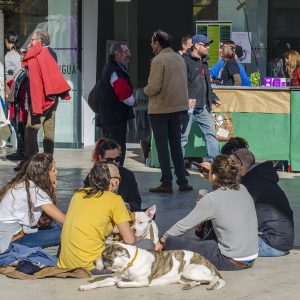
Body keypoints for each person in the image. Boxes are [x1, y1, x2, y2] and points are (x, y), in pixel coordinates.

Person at [155, 155, 258, 271]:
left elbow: (183, 225)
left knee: (171, 241)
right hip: (251, 258)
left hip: (229, 260)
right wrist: (212, 175)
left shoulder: (211, 199)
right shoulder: (243, 188)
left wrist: (162, 241)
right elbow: (224, 195)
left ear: (214, 175)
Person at [58, 162, 138, 272]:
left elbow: (96, 224)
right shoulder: (115, 200)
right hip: (93, 266)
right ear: (113, 182)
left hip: (66, 264)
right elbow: (130, 240)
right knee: (146, 245)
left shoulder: (78, 195)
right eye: (119, 178)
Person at [144, 30, 192, 193]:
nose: (151, 45)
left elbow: (153, 87)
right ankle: (182, 180)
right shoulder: (179, 58)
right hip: (178, 108)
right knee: (176, 145)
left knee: (162, 146)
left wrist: (144, 91)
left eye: (152, 42)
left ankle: (166, 182)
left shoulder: (158, 60)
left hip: (160, 109)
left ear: (157, 42)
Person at [18, 29, 71, 171]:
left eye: (33, 40)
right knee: (49, 130)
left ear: (40, 41)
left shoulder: (39, 52)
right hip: (52, 96)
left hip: (42, 97)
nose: (31, 42)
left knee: (31, 129)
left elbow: (36, 77)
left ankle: (31, 162)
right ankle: (48, 161)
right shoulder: (50, 52)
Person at [232, 149, 294, 257]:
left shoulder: (251, 184)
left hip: (270, 243)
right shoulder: (259, 178)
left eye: (230, 165)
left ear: (240, 166)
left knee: (220, 242)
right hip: (280, 241)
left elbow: (228, 210)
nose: (228, 169)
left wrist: (215, 180)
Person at [0, 153, 65, 254]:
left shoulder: (25, 183)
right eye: (53, 170)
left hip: (10, 234)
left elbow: (47, 219)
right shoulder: (36, 191)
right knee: (64, 232)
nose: (56, 173)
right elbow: (64, 220)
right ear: (44, 174)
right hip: (9, 241)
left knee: (55, 226)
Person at [180, 34, 221, 163]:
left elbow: (206, 83)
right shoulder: (184, 60)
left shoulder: (204, 61)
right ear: (196, 46)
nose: (208, 47)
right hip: (189, 108)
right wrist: (186, 98)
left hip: (204, 107)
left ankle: (213, 164)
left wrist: (213, 98)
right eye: (205, 45)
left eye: (208, 45)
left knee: (211, 135)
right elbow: (180, 82)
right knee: (183, 137)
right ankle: (179, 165)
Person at [96, 42, 136, 166]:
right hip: (115, 118)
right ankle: (116, 173)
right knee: (116, 147)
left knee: (109, 146)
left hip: (109, 116)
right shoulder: (115, 70)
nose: (129, 55)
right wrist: (134, 102)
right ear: (117, 54)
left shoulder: (109, 68)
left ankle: (110, 172)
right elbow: (124, 95)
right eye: (126, 52)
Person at [84, 138, 142, 211]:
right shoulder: (93, 176)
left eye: (117, 159)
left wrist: (129, 206)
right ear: (100, 158)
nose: (114, 162)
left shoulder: (128, 175)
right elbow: (87, 200)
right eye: (109, 160)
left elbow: (136, 202)